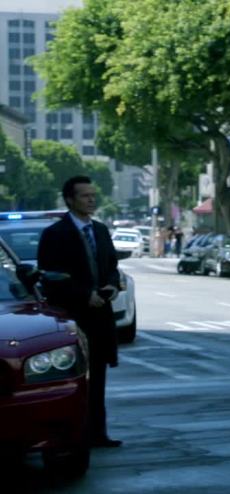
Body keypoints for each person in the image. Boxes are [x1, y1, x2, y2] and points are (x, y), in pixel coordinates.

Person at [37, 176, 123, 448]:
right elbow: (51, 277)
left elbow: (111, 265)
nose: (91, 200)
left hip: (101, 318)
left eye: (93, 195)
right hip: (71, 319)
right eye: (85, 195)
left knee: (97, 377)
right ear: (70, 200)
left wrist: (112, 285)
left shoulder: (100, 230)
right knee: (71, 379)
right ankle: (70, 435)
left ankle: (98, 432)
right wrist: (85, 295)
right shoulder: (55, 234)